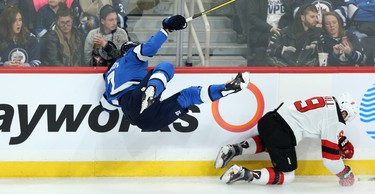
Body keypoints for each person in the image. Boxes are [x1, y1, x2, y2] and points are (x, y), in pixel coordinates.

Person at [99, 14, 251, 132]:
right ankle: (153, 89)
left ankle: (225, 88)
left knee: (188, 95)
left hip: (144, 122)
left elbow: (106, 106)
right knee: (165, 66)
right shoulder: (131, 56)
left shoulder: (111, 75)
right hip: (137, 102)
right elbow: (150, 48)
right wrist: (167, 27)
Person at [215, 94, 358, 186]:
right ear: (344, 113)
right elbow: (330, 160)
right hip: (282, 132)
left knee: (271, 143)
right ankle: (244, 173)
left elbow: (321, 123)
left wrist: (341, 139)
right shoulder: (334, 119)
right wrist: (345, 173)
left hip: (269, 119)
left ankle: (233, 149)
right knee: (288, 175)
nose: (343, 121)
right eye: (345, 118)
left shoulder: (328, 101)